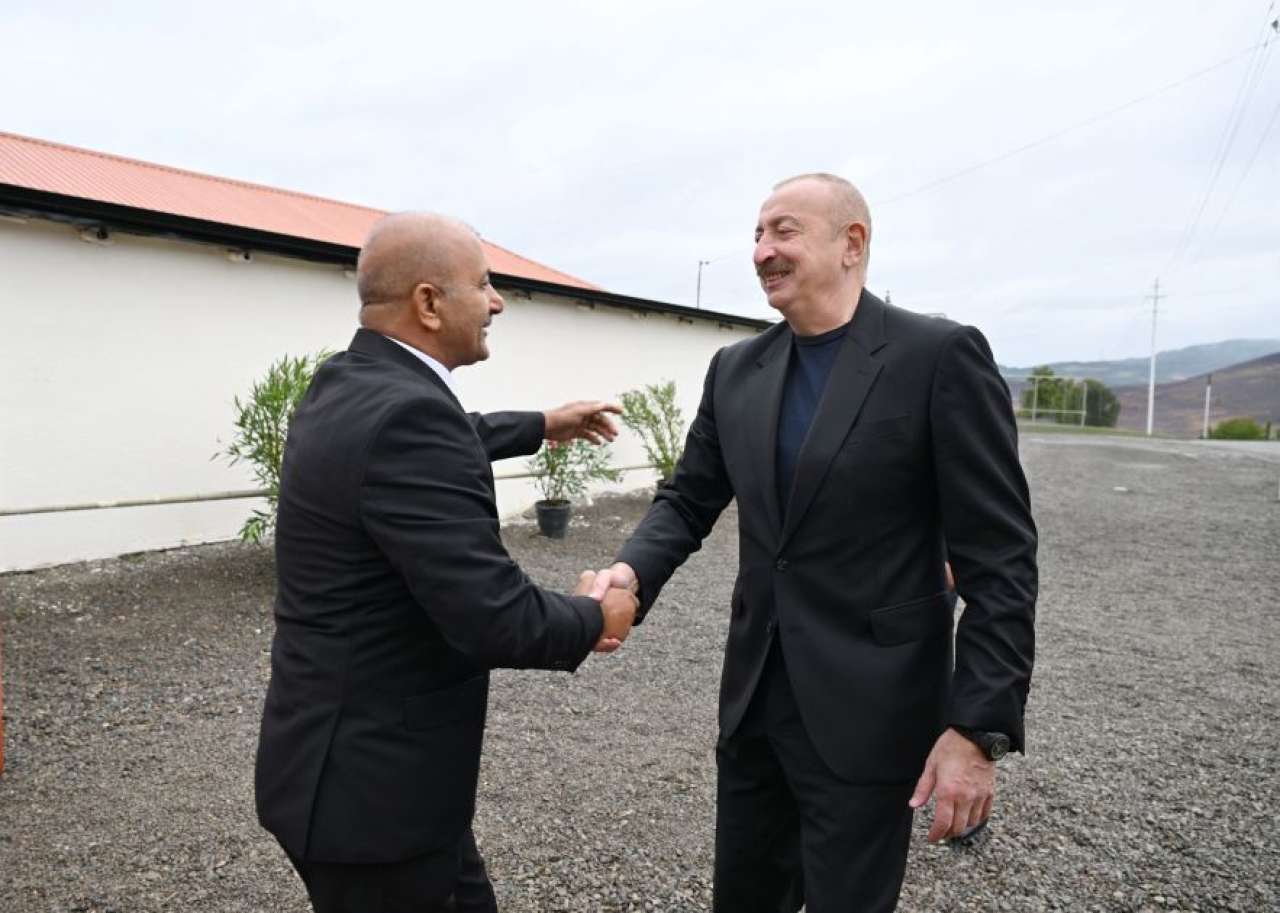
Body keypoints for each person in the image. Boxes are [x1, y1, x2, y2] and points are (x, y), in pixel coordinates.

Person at [588, 173, 1037, 912]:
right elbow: (688, 498)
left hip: (874, 710)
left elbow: (1001, 560)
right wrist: (631, 573)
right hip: (756, 704)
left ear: (852, 243)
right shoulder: (737, 369)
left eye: (784, 231)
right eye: (757, 235)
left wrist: (977, 728)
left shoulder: (937, 357)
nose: (762, 251)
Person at [255, 212, 638, 913]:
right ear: (429, 303)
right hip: (375, 809)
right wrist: (596, 615)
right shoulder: (408, 419)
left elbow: (442, 437)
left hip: (356, 777)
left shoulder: (349, 382)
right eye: (484, 284)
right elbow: (495, 617)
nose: (498, 302)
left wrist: (541, 424)